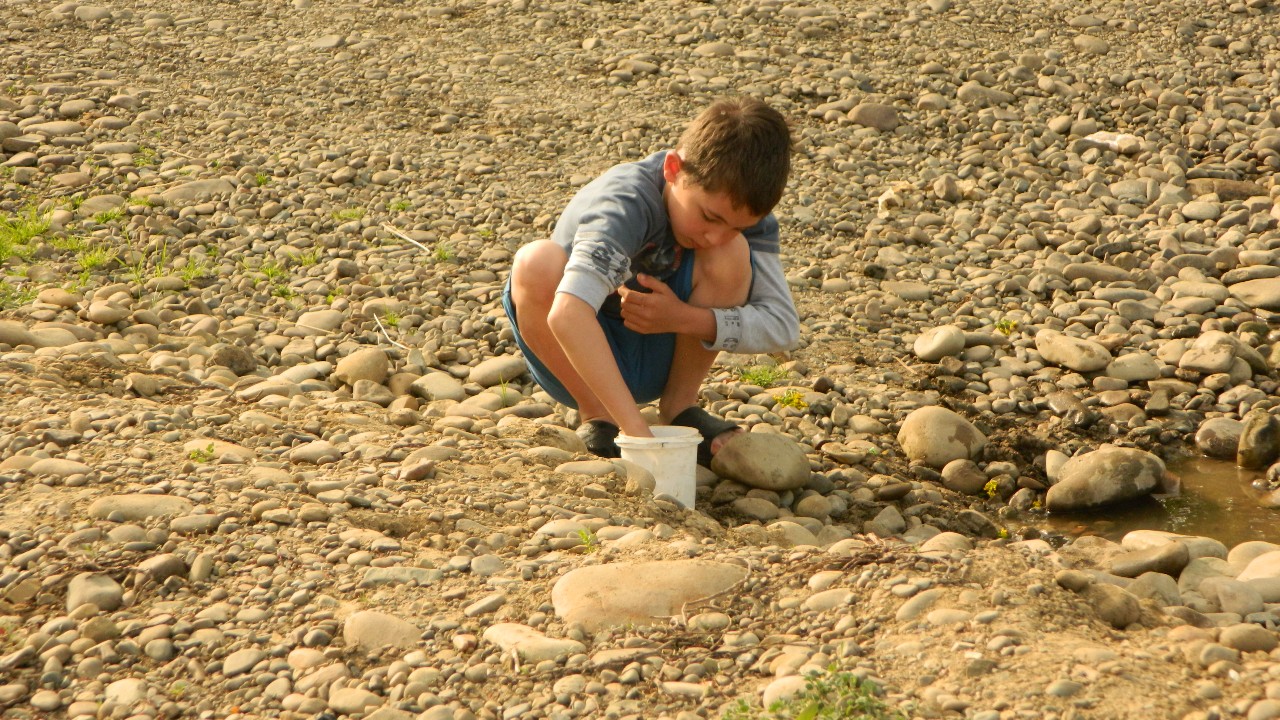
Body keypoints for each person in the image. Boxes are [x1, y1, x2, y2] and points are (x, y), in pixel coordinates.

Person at [502, 96, 799, 464]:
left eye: (738, 226)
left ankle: (679, 407)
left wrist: (683, 318)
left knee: (731, 253)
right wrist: (638, 435)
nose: (715, 236)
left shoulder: (740, 215)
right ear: (673, 168)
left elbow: (783, 328)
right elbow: (567, 314)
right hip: (577, 356)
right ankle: (598, 414)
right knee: (535, 261)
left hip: (658, 351)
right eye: (709, 218)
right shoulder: (625, 202)